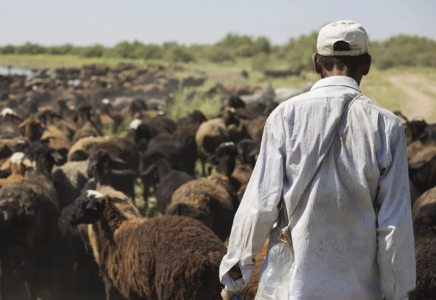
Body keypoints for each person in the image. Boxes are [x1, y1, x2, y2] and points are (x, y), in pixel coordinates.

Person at [220, 20, 416, 300]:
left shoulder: (284, 117)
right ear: (367, 65)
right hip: (361, 292)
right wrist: (396, 294)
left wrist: (234, 279)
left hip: (290, 288)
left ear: (316, 63)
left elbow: (259, 207)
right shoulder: (387, 126)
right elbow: (393, 225)